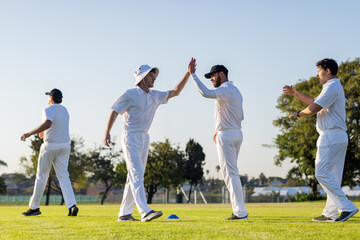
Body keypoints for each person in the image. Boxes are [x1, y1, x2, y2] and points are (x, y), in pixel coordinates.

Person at [104, 59, 195, 222]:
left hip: (144, 137)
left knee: (133, 176)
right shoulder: (130, 94)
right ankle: (145, 211)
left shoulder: (155, 95)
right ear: (142, 78)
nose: (154, 78)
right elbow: (114, 111)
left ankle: (124, 213)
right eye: (151, 75)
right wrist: (107, 132)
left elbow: (176, 91)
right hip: (130, 136)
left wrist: (188, 73)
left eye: (154, 75)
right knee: (136, 174)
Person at [283, 58, 359, 222]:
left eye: (319, 71)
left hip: (331, 136)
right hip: (337, 136)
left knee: (321, 173)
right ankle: (330, 213)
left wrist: (298, 113)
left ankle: (347, 207)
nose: (317, 75)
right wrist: (296, 94)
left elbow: (314, 108)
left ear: (328, 71)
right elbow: (314, 102)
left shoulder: (331, 86)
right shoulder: (331, 87)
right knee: (333, 177)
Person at [190, 59, 248, 220]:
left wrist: (192, 75)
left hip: (228, 135)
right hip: (236, 132)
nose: (211, 79)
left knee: (230, 174)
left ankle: (240, 212)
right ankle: (239, 210)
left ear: (222, 74)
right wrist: (221, 128)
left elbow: (205, 93)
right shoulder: (235, 91)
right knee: (232, 173)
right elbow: (240, 117)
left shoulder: (226, 89)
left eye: (213, 76)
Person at [20, 88, 78, 217]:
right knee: (64, 177)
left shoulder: (47, 110)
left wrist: (29, 133)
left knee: (42, 176)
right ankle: (72, 205)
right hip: (65, 146)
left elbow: (48, 123)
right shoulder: (65, 110)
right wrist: (44, 131)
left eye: (48, 97)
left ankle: (34, 207)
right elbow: (53, 126)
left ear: (51, 98)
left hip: (50, 146)